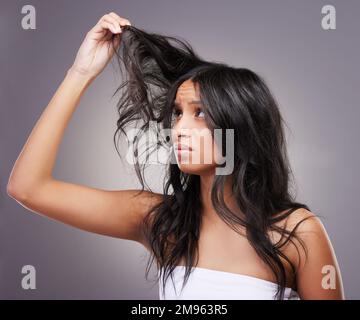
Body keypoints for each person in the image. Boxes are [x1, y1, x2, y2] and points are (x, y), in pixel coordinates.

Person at [7, 12, 345, 300]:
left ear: (241, 126)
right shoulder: (159, 221)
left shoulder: (298, 233)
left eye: (199, 113)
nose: (179, 128)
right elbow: (27, 187)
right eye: (178, 113)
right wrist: (80, 73)